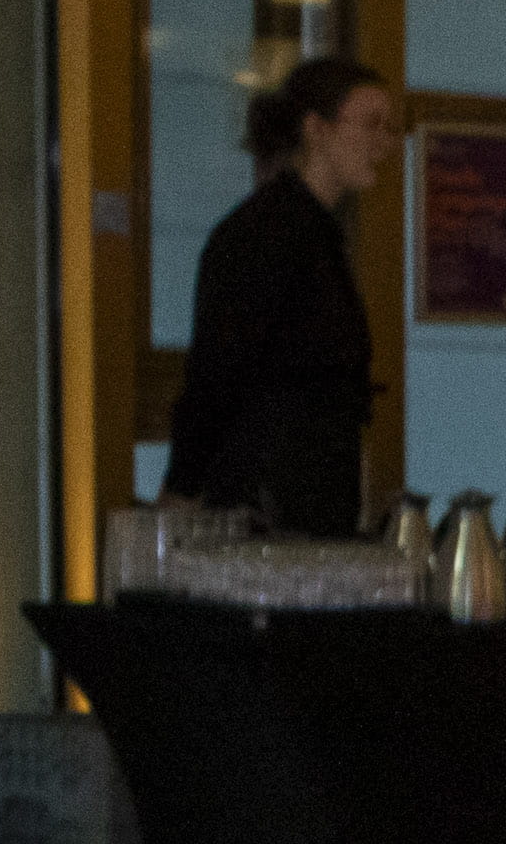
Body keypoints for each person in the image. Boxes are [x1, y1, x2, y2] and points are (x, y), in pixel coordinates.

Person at [163, 57, 394, 533]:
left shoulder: (303, 231)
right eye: (371, 124)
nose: (384, 143)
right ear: (317, 129)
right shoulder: (270, 235)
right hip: (270, 496)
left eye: (389, 128)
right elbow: (217, 371)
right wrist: (183, 484)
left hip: (296, 491)